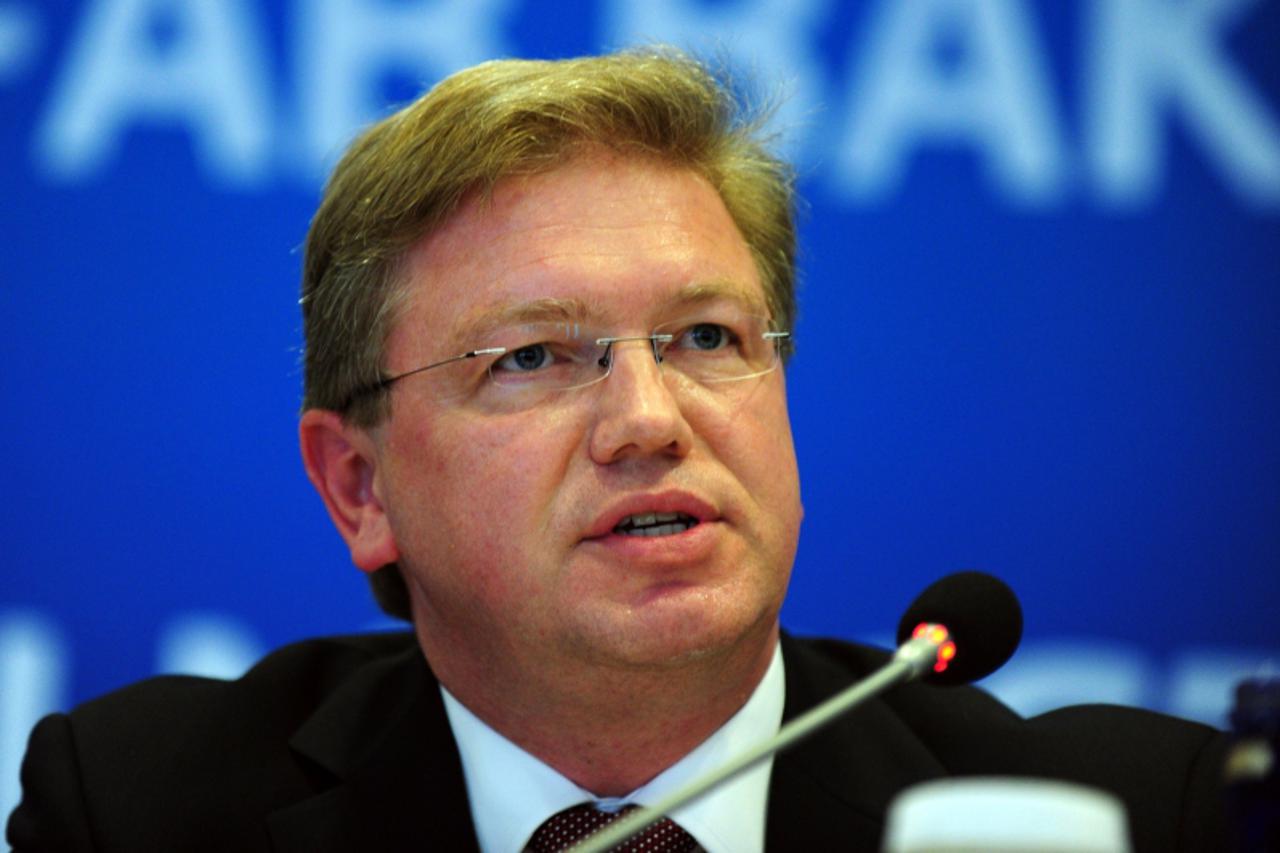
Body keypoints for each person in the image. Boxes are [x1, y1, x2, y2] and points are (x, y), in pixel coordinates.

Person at [7, 49, 1228, 853]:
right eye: (533, 355)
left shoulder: (1130, 819)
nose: (649, 416)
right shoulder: (147, 813)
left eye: (705, 335)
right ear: (359, 486)